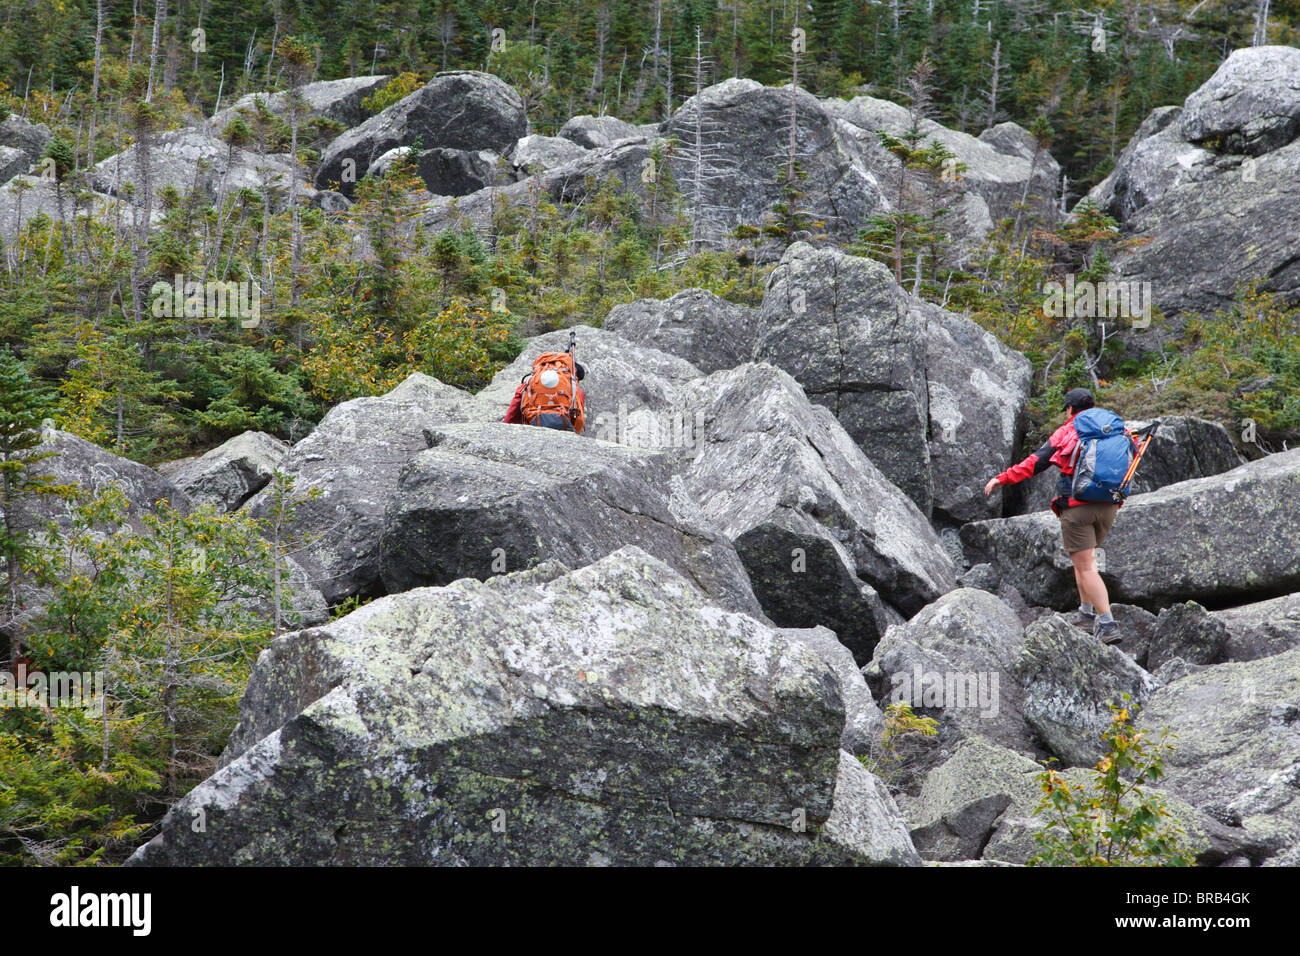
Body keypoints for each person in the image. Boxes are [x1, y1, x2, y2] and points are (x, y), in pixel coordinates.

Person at [982, 387, 1136, 644]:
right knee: (1083, 561)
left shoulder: (1068, 431)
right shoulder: (1113, 426)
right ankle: (1086, 615)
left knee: (1087, 566)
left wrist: (1003, 478)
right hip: (1109, 504)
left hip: (1078, 507)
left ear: (1070, 409)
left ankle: (1107, 623)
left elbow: (1036, 462)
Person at [503, 361, 586, 429]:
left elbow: (516, 402)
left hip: (533, 425)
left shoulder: (533, 381)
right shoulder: (576, 390)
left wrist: (506, 426)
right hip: (564, 427)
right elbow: (578, 417)